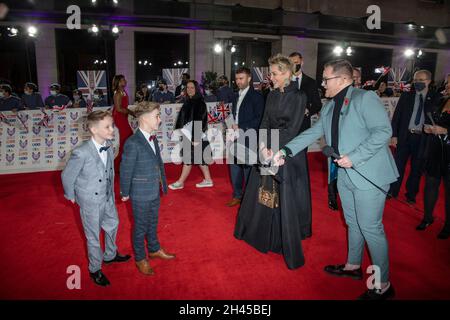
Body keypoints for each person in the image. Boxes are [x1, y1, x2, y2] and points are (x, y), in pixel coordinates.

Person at [273, 59, 399, 300]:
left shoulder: (365, 98)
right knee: (353, 223)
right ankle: (353, 266)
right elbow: (314, 131)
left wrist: (355, 157)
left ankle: (382, 285)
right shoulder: (330, 105)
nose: (322, 84)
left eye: (326, 79)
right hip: (344, 174)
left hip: (369, 174)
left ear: (341, 80)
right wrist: (286, 151)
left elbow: (383, 131)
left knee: (371, 228)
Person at [234, 54, 312, 270]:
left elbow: (293, 128)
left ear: (287, 73)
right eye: (271, 73)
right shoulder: (270, 95)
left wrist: (276, 150)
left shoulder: (299, 96)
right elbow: (265, 122)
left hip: (288, 152)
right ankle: (259, 234)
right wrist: (262, 147)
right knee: (260, 192)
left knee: (284, 197)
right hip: (267, 148)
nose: (271, 77)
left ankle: (282, 236)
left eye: (275, 73)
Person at [61, 110, 131, 287]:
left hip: (107, 196)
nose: (112, 129)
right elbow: (67, 176)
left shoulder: (108, 145)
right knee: (92, 236)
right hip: (90, 201)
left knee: (113, 223)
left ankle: (110, 254)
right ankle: (95, 269)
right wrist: (70, 195)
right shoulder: (81, 152)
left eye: (112, 125)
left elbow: (110, 171)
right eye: (107, 127)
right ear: (93, 129)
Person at [120, 101, 175, 275]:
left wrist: (163, 185)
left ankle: (154, 249)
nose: (160, 119)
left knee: (153, 222)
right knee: (140, 226)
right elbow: (125, 169)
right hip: (140, 193)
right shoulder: (132, 142)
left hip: (154, 190)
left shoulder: (153, 138)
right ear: (143, 119)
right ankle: (140, 258)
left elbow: (158, 163)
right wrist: (125, 192)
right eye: (156, 116)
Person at [390, 70, 441, 203]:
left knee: (416, 169)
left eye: (421, 80)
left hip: (423, 138)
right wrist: (394, 135)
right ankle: (392, 191)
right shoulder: (406, 96)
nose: (418, 83)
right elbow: (397, 117)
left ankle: (411, 195)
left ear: (429, 81)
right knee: (398, 166)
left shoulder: (436, 98)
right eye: (416, 80)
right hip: (405, 136)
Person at [417, 76, 450, 239]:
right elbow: (435, 121)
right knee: (430, 185)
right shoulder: (442, 100)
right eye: (448, 82)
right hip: (436, 151)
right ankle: (427, 217)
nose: (448, 85)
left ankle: (448, 225)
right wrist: (429, 128)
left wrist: (446, 131)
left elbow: (445, 128)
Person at [226, 67, 264, 207]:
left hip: (249, 136)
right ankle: (237, 195)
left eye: (241, 78)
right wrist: (231, 124)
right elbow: (236, 115)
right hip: (234, 136)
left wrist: (241, 125)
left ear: (249, 78)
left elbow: (259, 119)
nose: (238, 81)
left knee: (248, 168)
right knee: (235, 168)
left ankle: (249, 198)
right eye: (236, 79)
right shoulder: (236, 96)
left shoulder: (257, 97)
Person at [168, 80, 214, 190]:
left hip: (195, 136)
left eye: (192, 87)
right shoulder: (189, 100)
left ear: (196, 89)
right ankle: (208, 180)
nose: (189, 89)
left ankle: (180, 182)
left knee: (189, 159)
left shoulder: (198, 102)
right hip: (191, 135)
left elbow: (200, 119)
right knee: (199, 158)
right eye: (187, 87)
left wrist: (196, 137)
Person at [288, 52, 322, 132]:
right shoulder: (284, 81)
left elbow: (317, 104)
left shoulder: (311, 82)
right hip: (286, 125)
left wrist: (308, 110)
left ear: (302, 62)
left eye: (296, 63)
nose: (294, 65)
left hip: (303, 125)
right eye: (291, 63)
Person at [112, 75, 135, 172]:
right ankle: (115, 166)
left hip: (123, 117)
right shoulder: (117, 93)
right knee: (127, 139)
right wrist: (131, 112)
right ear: (118, 82)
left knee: (127, 140)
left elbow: (124, 107)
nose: (125, 81)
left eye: (124, 79)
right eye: (122, 80)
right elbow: (118, 108)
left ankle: (120, 164)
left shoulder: (123, 92)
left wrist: (130, 112)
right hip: (119, 117)